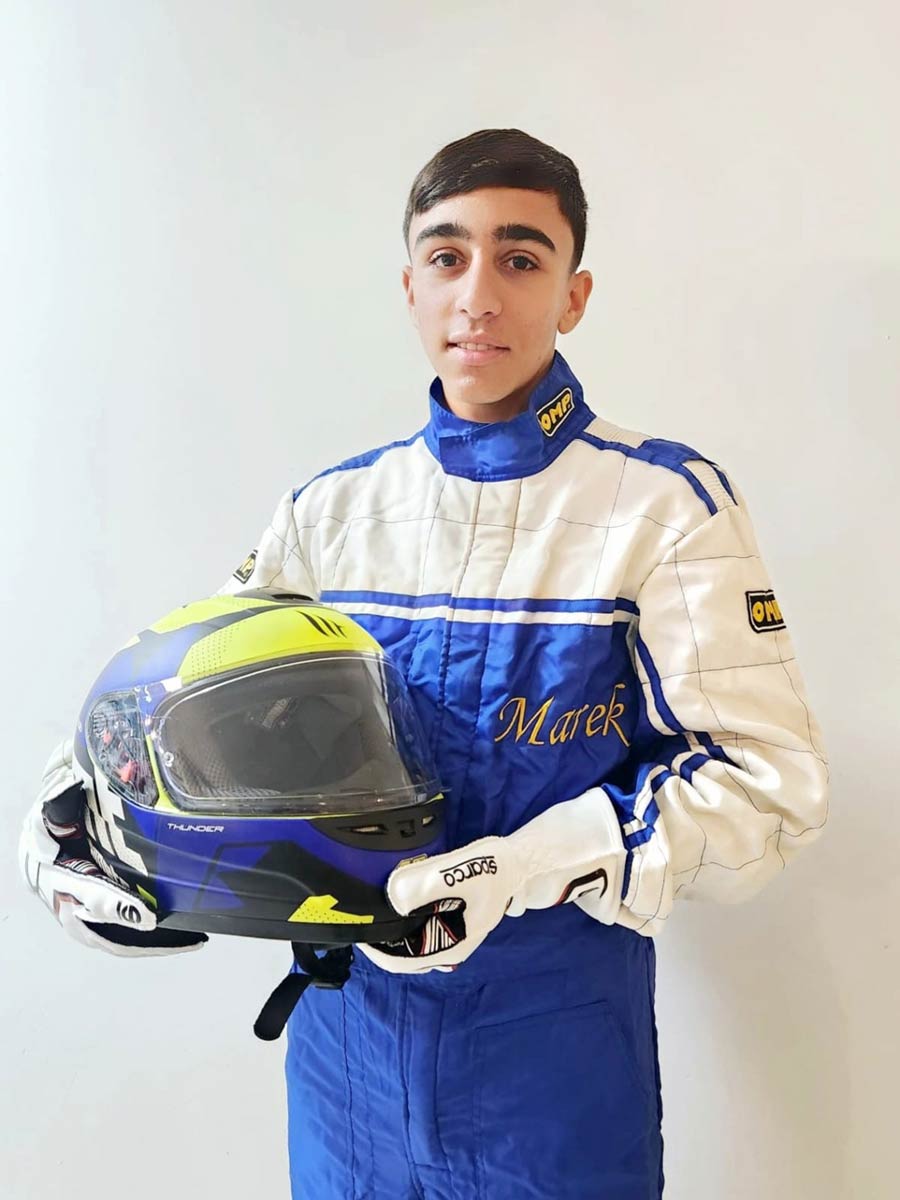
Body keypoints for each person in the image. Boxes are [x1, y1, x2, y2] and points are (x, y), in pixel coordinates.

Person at [20, 128, 829, 1199]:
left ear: (575, 295)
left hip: (551, 1058)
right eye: (448, 257)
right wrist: (73, 810)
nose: (478, 295)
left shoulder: (666, 508)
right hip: (345, 1049)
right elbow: (183, 693)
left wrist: (523, 868)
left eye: (520, 258)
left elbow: (768, 786)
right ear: (410, 285)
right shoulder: (332, 511)